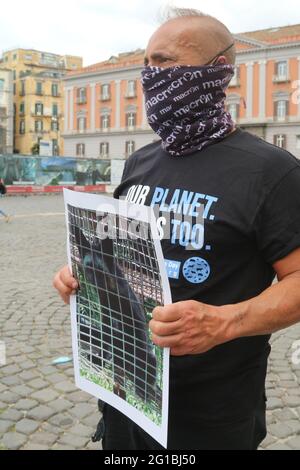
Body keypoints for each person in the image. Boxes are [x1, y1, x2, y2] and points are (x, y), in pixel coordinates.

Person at [53, 8, 300, 450]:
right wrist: (81, 274)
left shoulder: (272, 171)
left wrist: (225, 322)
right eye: (146, 65)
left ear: (218, 71)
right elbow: (117, 248)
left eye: (164, 62)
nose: (150, 76)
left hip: (211, 411)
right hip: (126, 389)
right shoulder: (139, 161)